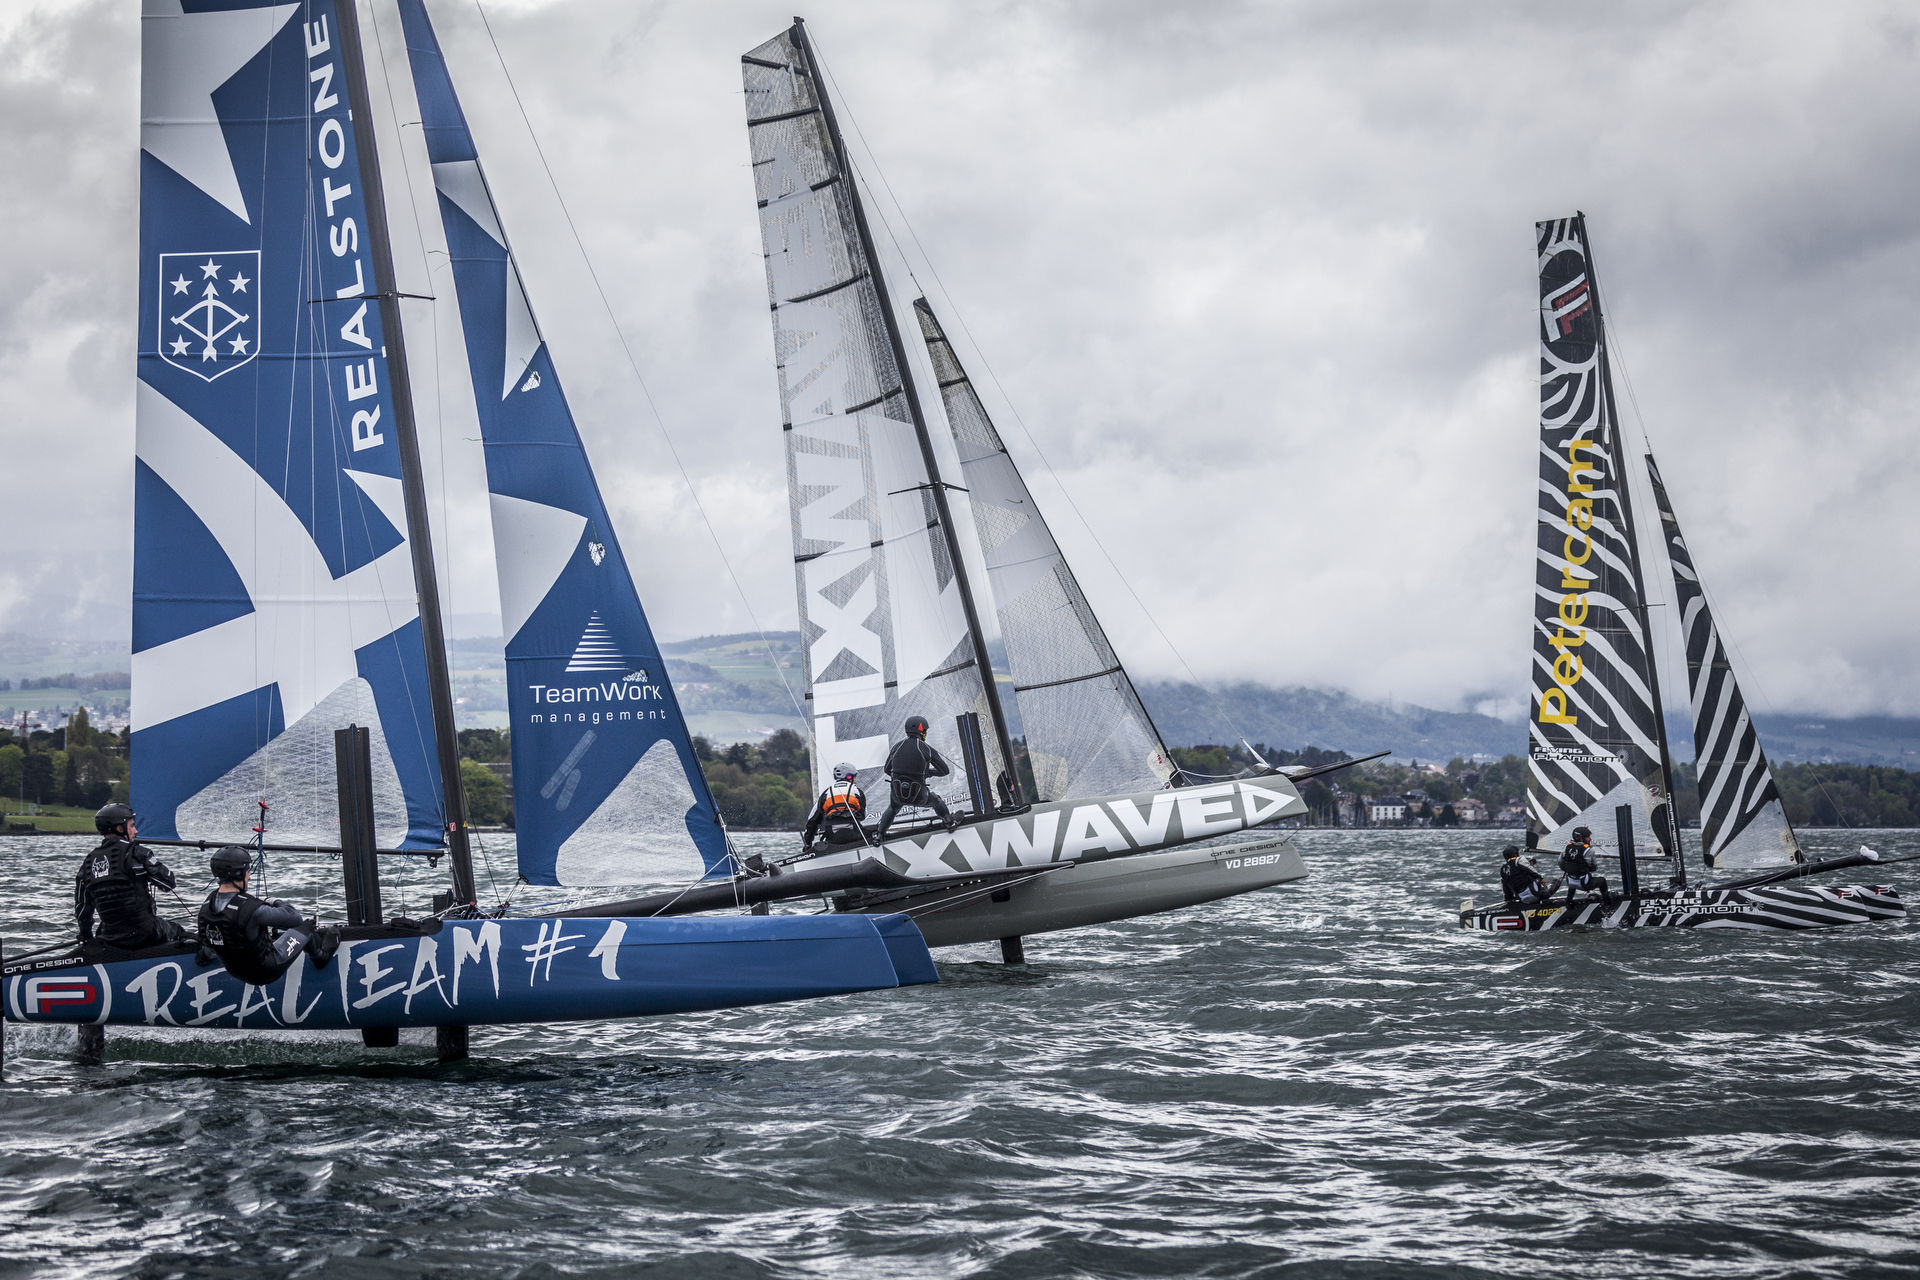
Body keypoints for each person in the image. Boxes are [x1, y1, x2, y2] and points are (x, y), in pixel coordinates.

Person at [197, 846, 340, 985]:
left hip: (235, 972)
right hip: (268, 971)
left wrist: (202, 958)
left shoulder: (207, 906)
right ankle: (321, 958)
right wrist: (273, 901)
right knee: (307, 926)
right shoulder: (253, 910)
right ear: (238, 874)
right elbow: (295, 918)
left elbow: (216, 939)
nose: (249, 877)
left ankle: (204, 958)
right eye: (247, 871)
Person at [75, 803, 188, 949]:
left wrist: (86, 937)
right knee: (178, 931)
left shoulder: (88, 863)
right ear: (119, 828)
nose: (136, 831)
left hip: (109, 938)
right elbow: (168, 883)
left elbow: (82, 908)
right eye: (132, 826)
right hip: (145, 934)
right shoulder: (137, 852)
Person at [877, 715, 957, 838]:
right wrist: (927, 773)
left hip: (898, 795)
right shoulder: (926, 748)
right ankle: (950, 824)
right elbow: (944, 771)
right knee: (937, 801)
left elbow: (887, 769)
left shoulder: (896, 747)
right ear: (923, 732)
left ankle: (879, 835)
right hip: (920, 796)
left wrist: (902, 776)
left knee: (893, 808)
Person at [803, 762, 869, 850]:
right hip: (855, 836)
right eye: (854, 777)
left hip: (833, 838)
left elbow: (812, 820)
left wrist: (808, 843)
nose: (855, 781)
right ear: (849, 777)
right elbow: (863, 815)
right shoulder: (857, 791)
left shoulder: (826, 793)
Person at [1559, 826, 1615, 905]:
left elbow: (1560, 862)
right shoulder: (1589, 851)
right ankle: (1607, 901)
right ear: (1581, 839)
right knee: (1602, 881)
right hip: (1584, 884)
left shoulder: (1566, 848)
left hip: (1570, 882)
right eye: (1588, 837)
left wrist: (1570, 869)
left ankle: (1568, 902)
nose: (1590, 839)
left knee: (1573, 882)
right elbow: (1594, 868)